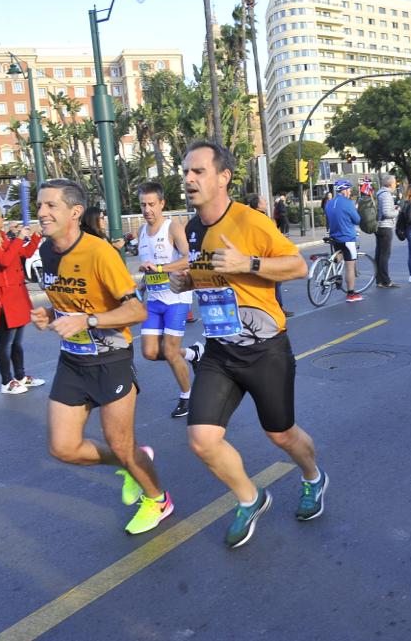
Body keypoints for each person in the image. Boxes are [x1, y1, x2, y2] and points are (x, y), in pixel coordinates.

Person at [169, 140, 324, 549]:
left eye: (198, 171)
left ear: (223, 177)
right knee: (202, 438)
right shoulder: (191, 228)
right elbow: (209, 276)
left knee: (281, 435)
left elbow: (297, 265)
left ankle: (313, 477)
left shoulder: (251, 221)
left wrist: (248, 263)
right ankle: (250, 498)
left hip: (264, 348)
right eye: (186, 171)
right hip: (220, 350)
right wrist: (187, 280)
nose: (188, 178)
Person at [30, 178, 171, 535]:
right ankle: (130, 463)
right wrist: (50, 314)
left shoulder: (99, 252)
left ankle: (158, 499)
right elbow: (68, 301)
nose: (41, 212)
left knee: (121, 443)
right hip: (73, 361)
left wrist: (88, 320)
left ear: (74, 212)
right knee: (63, 448)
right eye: (40, 205)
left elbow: (136, 311)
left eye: (50, 206)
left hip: (111, 361)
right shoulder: (46, 251)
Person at [136, 182, 202, 418]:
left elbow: (188, 259)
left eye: (152, 204)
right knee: (150, 352)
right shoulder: (141, 232)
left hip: (176, 297)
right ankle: (194, 354)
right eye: (143, 204)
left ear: (162, 203)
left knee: (171, 352)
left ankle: (188, 396)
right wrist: (142, 283)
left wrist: (161, 268)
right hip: (154, 300)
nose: (147, 209)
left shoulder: (172, 227)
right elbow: (149, 268)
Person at [0, 204, 46, 395]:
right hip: (4, 295)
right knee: (6, 341)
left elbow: (24, 253)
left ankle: (20, 376)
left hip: (17, 292)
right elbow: (4, 261)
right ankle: (6, 381)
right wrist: (19, 237)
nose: (2, 219)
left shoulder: (2, 237)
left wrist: (35, 235)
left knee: (17, 341)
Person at [324, 179, 364, 302]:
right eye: (350, 190)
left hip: (335, 236)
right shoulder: (348, 203)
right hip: (347, 237)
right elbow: (357, 220)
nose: (350, 192)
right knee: (350, 266)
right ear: (345, 190)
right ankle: (351, 293)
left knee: (339, 255)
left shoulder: (329, 203)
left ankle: (330, 268)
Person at [374, 175, 400, 288]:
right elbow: (386, 213)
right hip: (385, 227)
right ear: (390, 184)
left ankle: (379, 279)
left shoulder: (379, 193)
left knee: (379, 254)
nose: (395, 185)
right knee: (385, 254)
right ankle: (386, 280)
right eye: (395, 183)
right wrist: (397, 211)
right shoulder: (386, 195)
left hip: (378, 226)